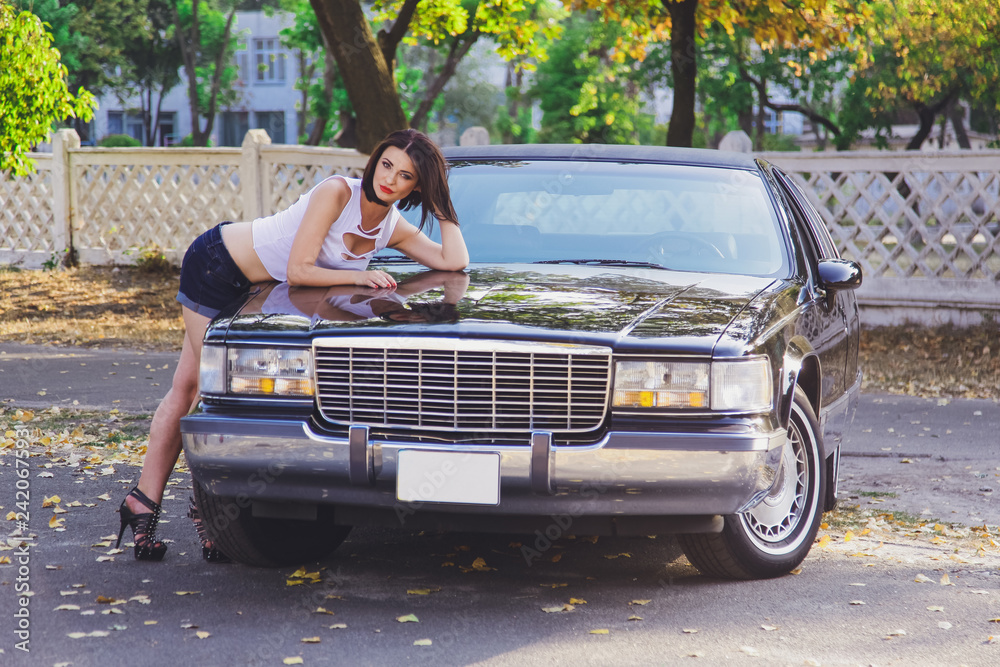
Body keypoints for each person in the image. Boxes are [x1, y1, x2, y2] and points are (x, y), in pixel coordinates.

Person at [116, 129, 468, 562]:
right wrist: (359, 276)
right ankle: (205, 516)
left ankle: (145, 503)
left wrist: (442, 205)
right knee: (203, 392)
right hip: (217, 265)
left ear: (416, 186)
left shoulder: (390, 226)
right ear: (375, 161)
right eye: (387, 164)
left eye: (406, 176)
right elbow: (300, 269)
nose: (390, 178)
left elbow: (454, 261)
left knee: (190, 387)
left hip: (257, 284)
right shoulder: (337, 193)